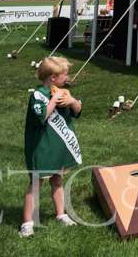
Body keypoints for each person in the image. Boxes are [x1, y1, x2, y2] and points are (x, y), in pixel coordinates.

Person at [21, 56, 83, 238]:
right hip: (41, 146)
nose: (68, 77)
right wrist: (54, 100)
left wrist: (71, 101)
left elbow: (78, 110)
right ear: (52, 77)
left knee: (57, 180)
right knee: (36, 183)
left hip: (59, 146)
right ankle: (27, 222)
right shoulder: (38, 95)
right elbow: (41, 116)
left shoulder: (64, 92)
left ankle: (61, 214)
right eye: (65, 74)